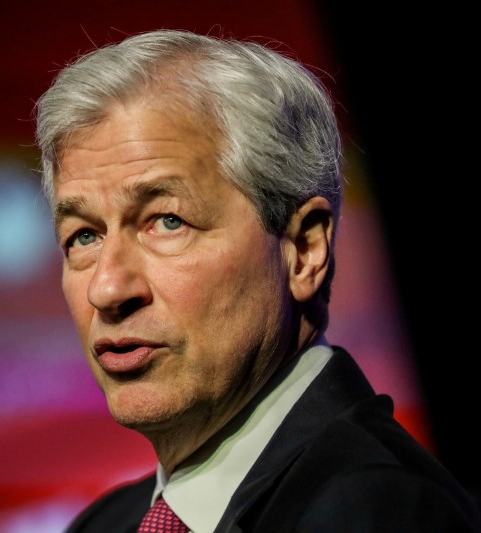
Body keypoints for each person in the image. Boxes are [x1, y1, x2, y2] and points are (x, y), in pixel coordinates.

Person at [33, 29, 481, 532]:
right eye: (84, 236)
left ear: (305, 249)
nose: (107, 289)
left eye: (168, 221)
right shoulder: (103, 525)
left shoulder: (379, 510)